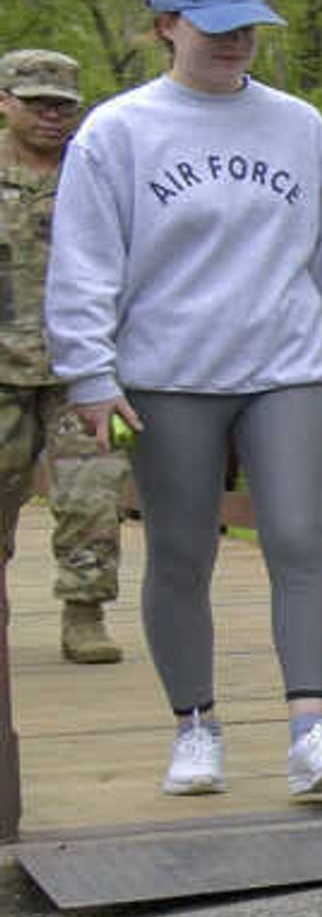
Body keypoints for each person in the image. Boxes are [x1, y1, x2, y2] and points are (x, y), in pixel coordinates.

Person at [45, 0, 322, 799]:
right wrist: (89, 373)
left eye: (249, 28)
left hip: (285, 364)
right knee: (182, 551)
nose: (236, 44)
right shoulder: (118, 132)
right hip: (165, 374)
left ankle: (312, 728)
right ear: (166, 27)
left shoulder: (298, 125)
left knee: (298, 536)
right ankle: (195, 724)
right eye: (216, 29)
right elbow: (82, 262)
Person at [0, 48, 125, 665]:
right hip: (1, 366)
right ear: (5, 102)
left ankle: (85, 615)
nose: (50, 116)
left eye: (62, 106)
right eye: (36, 104)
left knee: (92, 495)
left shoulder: (97, 167)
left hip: (84, 369)